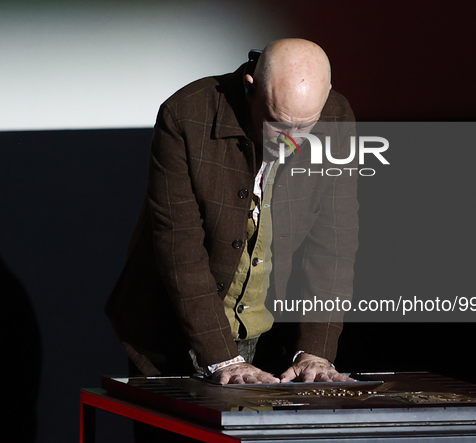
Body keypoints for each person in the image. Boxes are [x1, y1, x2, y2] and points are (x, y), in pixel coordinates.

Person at [105, 38, 359, 388]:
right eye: (278, 123)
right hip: (174, 335)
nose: (292, 140)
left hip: (273, 338)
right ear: (250, 87)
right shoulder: (187, 115)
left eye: (306, 125)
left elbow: (332, 244)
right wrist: (222, 357)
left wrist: (315, 350)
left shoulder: (336, 116)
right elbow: (180, 251)